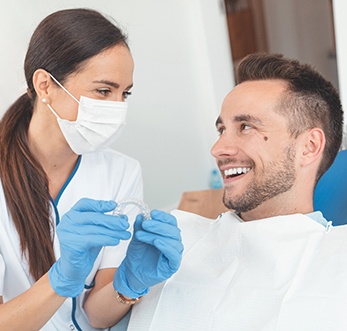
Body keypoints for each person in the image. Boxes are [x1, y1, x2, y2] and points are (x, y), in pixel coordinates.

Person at [126, 53, 347, 331]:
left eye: (246, 127)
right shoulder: (178, 241)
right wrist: (124, 288)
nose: (218, 149)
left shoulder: (337, 261)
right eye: (222, 129)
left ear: (309, 147)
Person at [0, 8, 182, 331]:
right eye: (103, 91)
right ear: (45, 85)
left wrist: (128, 284)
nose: (117, 108)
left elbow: (96, 316)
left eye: (124, 93)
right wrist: (59, 280)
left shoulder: (121, 172)